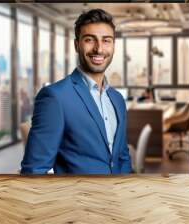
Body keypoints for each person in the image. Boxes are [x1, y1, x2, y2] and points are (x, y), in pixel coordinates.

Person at [20, 9, 132, 174]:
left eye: (106, 40)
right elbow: (34, 170)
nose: (99, 49)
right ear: (76, 45)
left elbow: (122, 156)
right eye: (89, 40)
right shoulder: (55, 97)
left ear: (113, 45)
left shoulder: (117, 100)